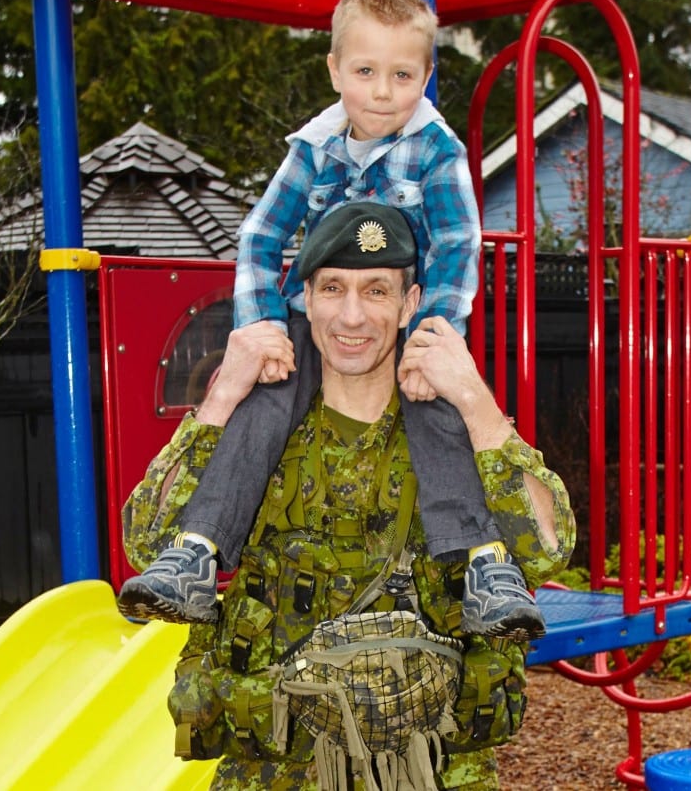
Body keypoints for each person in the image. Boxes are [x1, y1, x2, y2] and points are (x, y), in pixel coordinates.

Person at [117, 0, 544, 640]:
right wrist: (262, 327)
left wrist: (432, 342)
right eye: (366, 71)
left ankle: (483, 562)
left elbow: (460, 246)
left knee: (437, 412)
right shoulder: (311, 151)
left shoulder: (438, 154)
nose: (382, 91)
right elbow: (261, 235)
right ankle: (197, 551)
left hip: (410, 320)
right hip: (301, 321)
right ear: (335, 70)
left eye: (403, 75)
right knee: (263, 404)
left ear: (427, 75)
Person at [121, 205, 575, 790]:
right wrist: (223, 394)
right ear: (305, 298)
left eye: (377, 291)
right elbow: (147, 543)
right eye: (333, 288)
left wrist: (475, 401)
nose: (352, 315)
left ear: (411, 303)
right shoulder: (258, 428)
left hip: (435, 771)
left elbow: (545, 551)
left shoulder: (454, 429)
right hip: (277, 772)